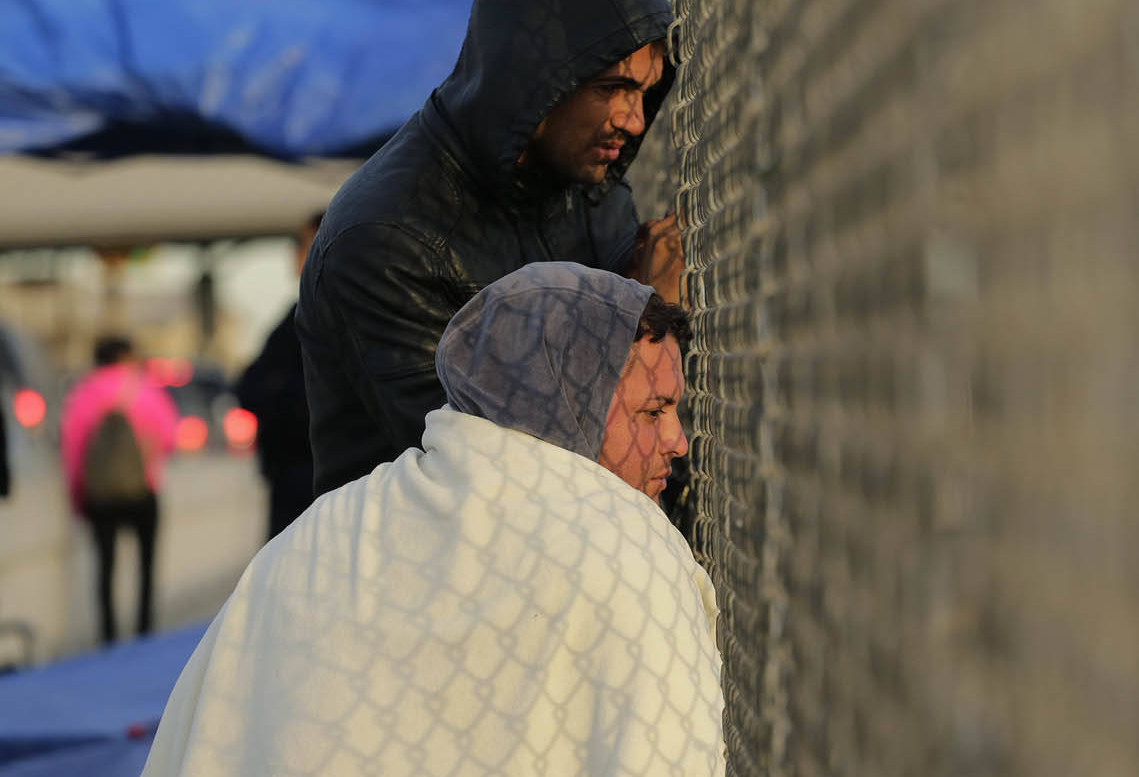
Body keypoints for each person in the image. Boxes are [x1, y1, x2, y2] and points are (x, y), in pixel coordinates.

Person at [142, 263, 724, 776]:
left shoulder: (322, 538)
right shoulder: (632, 554)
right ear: (566, 403)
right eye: (654, 410)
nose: (678, 441)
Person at [297, 0, 685, 497]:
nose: (633, 119)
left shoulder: (590, 194)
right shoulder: (384, 240)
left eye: (645, 93)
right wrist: (654, 322)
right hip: (420, 575)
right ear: (537, 79)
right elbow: (500, 474)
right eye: (613, 87)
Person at [60, 336, 178, 644]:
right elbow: (169, 437)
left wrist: (77, 495)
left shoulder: (83, 393)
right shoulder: (146, 388)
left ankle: (109, 636)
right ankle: (144, 631)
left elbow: (72, 451)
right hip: (143, 489)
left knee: (105, 566)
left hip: (100, 494)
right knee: (146, 564)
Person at [236, 212, 324, 540]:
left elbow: (254, 388)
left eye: (306, 248)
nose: (298, 260)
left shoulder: (316, 321)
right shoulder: (293, 320)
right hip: (295, 477)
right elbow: (248, 387)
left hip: (315, 481)